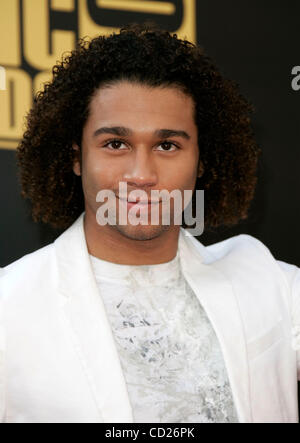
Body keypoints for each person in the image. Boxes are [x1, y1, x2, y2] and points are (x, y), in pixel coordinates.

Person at [0, 22, 299, 424]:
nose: (141, 174)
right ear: (76, 157)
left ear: (202, 160)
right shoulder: (10, 306)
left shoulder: (269, 281)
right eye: (116, 144)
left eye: (167, 145)